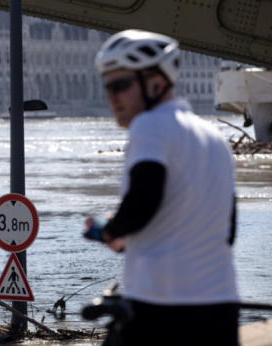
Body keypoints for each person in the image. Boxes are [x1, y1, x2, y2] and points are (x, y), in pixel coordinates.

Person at [83, 30, 239, 346]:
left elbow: (143, 199)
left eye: (120, 85)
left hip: (161, 310)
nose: (111, 97)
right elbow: (226, 230)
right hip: (221, 310)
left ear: (156, 83)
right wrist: (127, 240)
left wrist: (109, 230)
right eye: (108, 86)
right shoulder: (215, 138)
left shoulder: (150, 125)